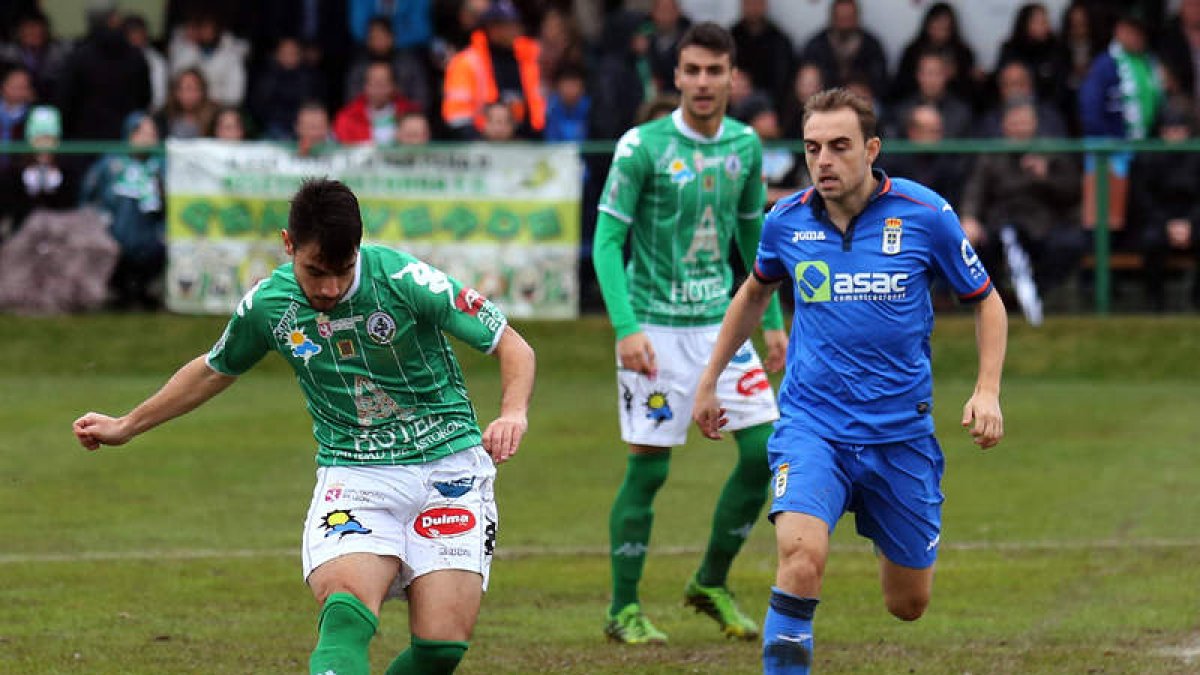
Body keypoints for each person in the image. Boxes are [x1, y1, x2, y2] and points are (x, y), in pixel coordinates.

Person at [72, 177, 537, 675]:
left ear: (359, 248)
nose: (330, 288)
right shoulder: (269, 305)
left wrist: (512, 412)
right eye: (316, 271)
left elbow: (512, 344)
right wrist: (126, 424)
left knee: (441, 648)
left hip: (452, 470)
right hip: (357, 475)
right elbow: (213, 368)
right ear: (288, 244)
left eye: (343, 270)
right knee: (345, 609)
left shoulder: (406, 280)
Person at [692, 88, 1007, 674]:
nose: (824, 161)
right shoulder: (785, 222)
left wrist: (986, 390)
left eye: (839, 146)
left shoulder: (926, 214)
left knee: (907, 603)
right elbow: (754, 293)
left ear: (872, 148)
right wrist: (711, 379)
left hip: (900, 435)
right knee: (800, 556)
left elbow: (987, 303)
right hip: (815, 427)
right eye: (813, 148)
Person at [593, 22, 788, 645]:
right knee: (649, 472)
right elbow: (606, 242)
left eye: (715, 71)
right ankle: (623, 609)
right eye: (693, 71)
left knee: (764, 453)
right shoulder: (640, 147)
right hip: (652, 332)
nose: (704, 82)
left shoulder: (744, 147)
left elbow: (754, 242)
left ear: (733, 77)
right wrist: (625, 326)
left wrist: (775, 320)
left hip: (722, 329)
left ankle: (710, 580)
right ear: (675, 77)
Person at [442, 1, 545, 139]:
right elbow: (457, 115)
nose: (513, 29)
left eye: (514, 24)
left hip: (524, 144)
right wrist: (478, 140)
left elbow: (538, 105)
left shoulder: (528, 59)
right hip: (481, 144)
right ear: (492, 28)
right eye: (506, 25)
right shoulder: (466, 62)